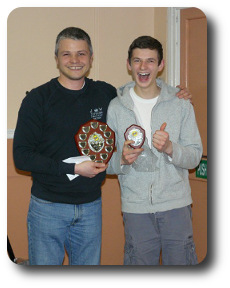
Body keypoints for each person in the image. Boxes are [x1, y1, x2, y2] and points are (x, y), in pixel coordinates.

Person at [13, 27, 192, 265]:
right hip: (48, 207)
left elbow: (138, 90)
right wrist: (73, 169)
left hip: (90, 207)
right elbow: (22, 157)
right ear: (56, 58)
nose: (75, 61)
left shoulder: (105, 94)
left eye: (81, 54)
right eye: (67, 54)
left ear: (91, 57)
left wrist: (174, 92)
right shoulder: (37, 99)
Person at [106, 36, 202, 265]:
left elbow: (194, 156)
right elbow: (107, 163)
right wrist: (122, 159)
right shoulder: (116, 107)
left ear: (161, 65)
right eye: (137, 60)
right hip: (135, 207)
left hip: (176, 206)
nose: (143, 67)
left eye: (150, 61)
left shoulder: (180, 104)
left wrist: (170, 148)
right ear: (129, 64)